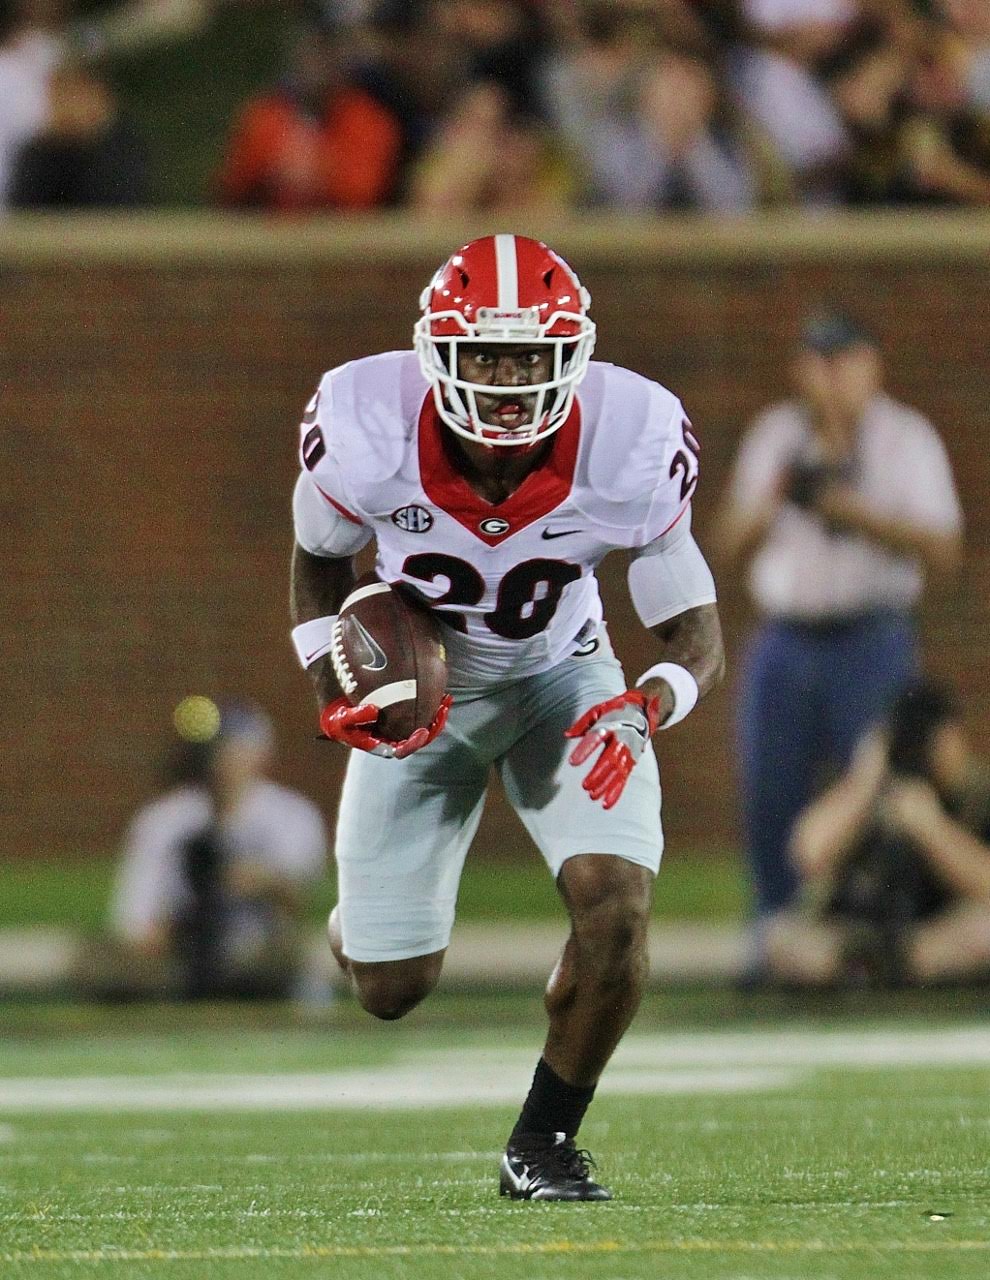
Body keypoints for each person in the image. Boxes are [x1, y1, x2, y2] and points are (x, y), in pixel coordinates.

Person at [289, 233, 725, 1201]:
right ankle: (361, 922)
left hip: (563, 681)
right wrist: (333, 682)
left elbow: (695, 627)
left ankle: (543, 1141)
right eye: (485, 354)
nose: (507, 379)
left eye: (529, 356)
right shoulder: (366, 421)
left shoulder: (635, 435)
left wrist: (645, 704)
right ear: (435, 351)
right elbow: (319, 557)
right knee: (389, 987)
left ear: (571, 353)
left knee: (617, 902)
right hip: (424, 697)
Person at [712, 309, 963, 969]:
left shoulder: (905, 437)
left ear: (871, 365)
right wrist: (779, 495)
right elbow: (728, 542)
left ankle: (872, 938)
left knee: (877, 788)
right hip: (787, 636)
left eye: (845, 359)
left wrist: (852, 512)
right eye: (819, 360)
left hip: (872, 636)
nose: (831, 376)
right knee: (772, 789)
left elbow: (943, 548)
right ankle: (774, 943)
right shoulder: (777, 434)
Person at [767, 679, 990, 987]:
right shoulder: (862, 786)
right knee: (781, 938)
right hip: (853, 933)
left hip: (931, 934)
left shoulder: (975, 794)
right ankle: (858, 969)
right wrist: (863, 785)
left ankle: (902, 966)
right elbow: (807, 855)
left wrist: (932, 828)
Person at [107, 697, 328, 1000]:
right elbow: (136, 924)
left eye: (235, 746)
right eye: (216, 748)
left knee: (286, 959)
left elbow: (299, 901)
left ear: (261, 752)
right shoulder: (164, 821)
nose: (224, 758)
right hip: (183, 960)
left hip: (262, 957)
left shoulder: (291, 815)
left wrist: (261, 881)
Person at [215, 22, 401, 212]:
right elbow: (230, 188)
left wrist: (318, 172)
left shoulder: (370, 120)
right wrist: (272, 169)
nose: (317, 66)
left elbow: (363, 194)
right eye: (311, 54)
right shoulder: (265, 115)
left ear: (342, 62)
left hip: (343, 238)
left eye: (327, 55)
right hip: (272, 235)